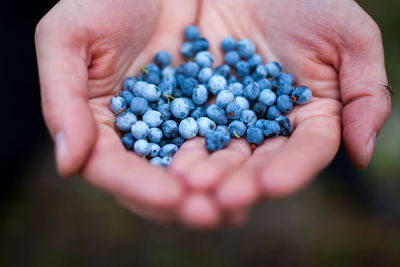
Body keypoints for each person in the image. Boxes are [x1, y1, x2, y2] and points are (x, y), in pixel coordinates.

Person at [35, 0, 391, 228]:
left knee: (321, 127)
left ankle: (352, 188)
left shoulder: (254, 98)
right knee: (31, 112)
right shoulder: (165, 103)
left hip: (232, 102)